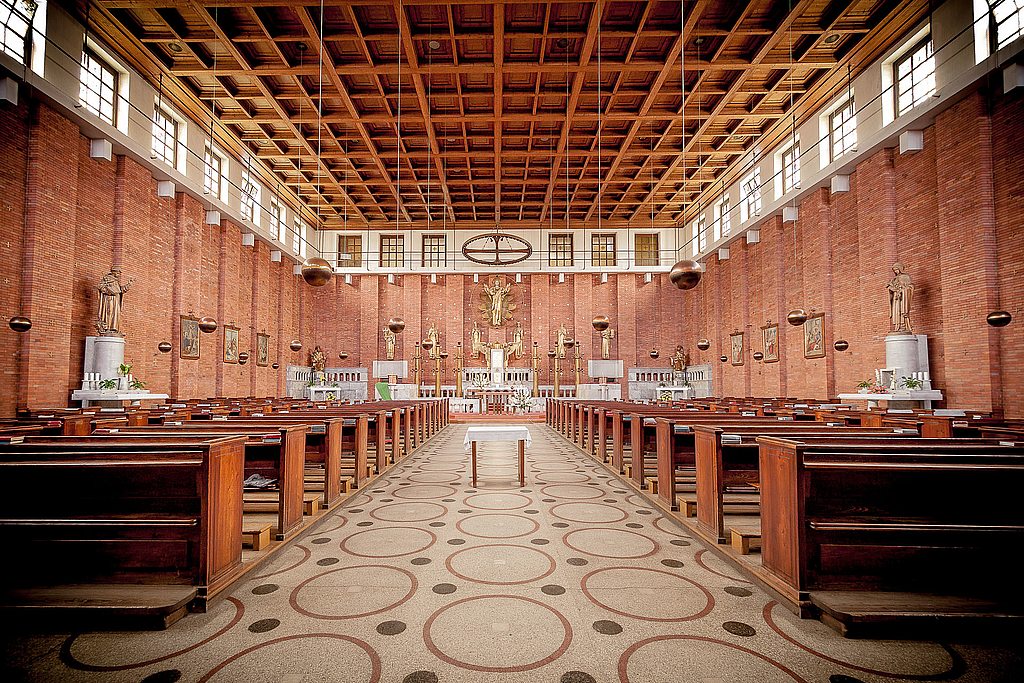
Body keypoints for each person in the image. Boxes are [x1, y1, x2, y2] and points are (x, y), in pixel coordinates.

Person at [96, 268, 132, 336]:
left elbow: (120, 290)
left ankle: (113, 328)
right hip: (109, 299)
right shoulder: (107, 279)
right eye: (118, 273)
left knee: (115, 314)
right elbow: (100, 287)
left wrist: (129, 284)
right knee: (109, 313)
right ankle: (107, 328)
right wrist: (109, 291)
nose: (118, 275)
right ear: (114, 272)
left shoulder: (116, 281)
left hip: (116, 300)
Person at [886, 263, 914, 333]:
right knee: (896, 311)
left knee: (902, 310)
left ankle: (903, 326)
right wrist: (891, 289)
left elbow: (910, 287)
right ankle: (897, 326)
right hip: (896, 298)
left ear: (900, 269)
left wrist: (903, 290)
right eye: (894, 270)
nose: (896, 271)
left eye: (897, 269)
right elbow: (891, 288)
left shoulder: (905, 277)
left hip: (903, 297)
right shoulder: (894, 279)